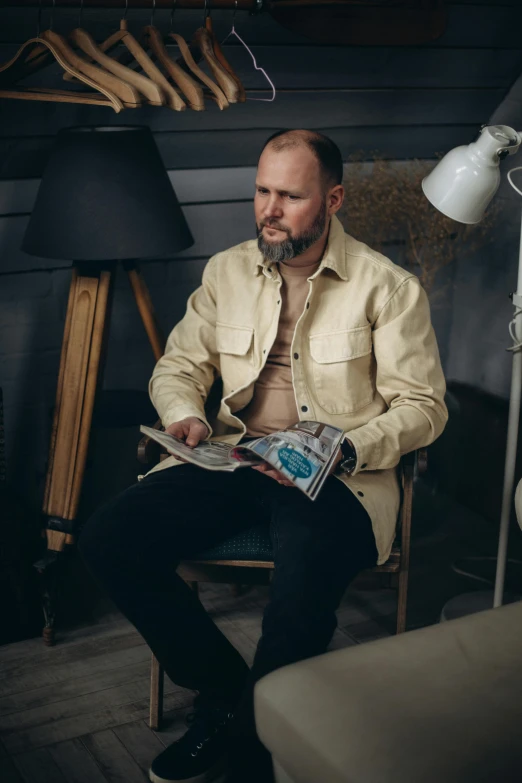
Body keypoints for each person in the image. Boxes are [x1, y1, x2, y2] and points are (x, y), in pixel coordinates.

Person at [78, 129, 448, 783]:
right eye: (262, 191)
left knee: (302, 585)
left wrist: (346, 445)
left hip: (339, 476)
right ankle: (226, 697)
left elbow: (424, 406)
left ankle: (256, 752)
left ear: (332, 199)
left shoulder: (389, 289)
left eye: (290, 195)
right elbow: (179, 365)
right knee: (110, 536)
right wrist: (185, 413)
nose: (268, 210)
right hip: (234, 455)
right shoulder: (226, 271)